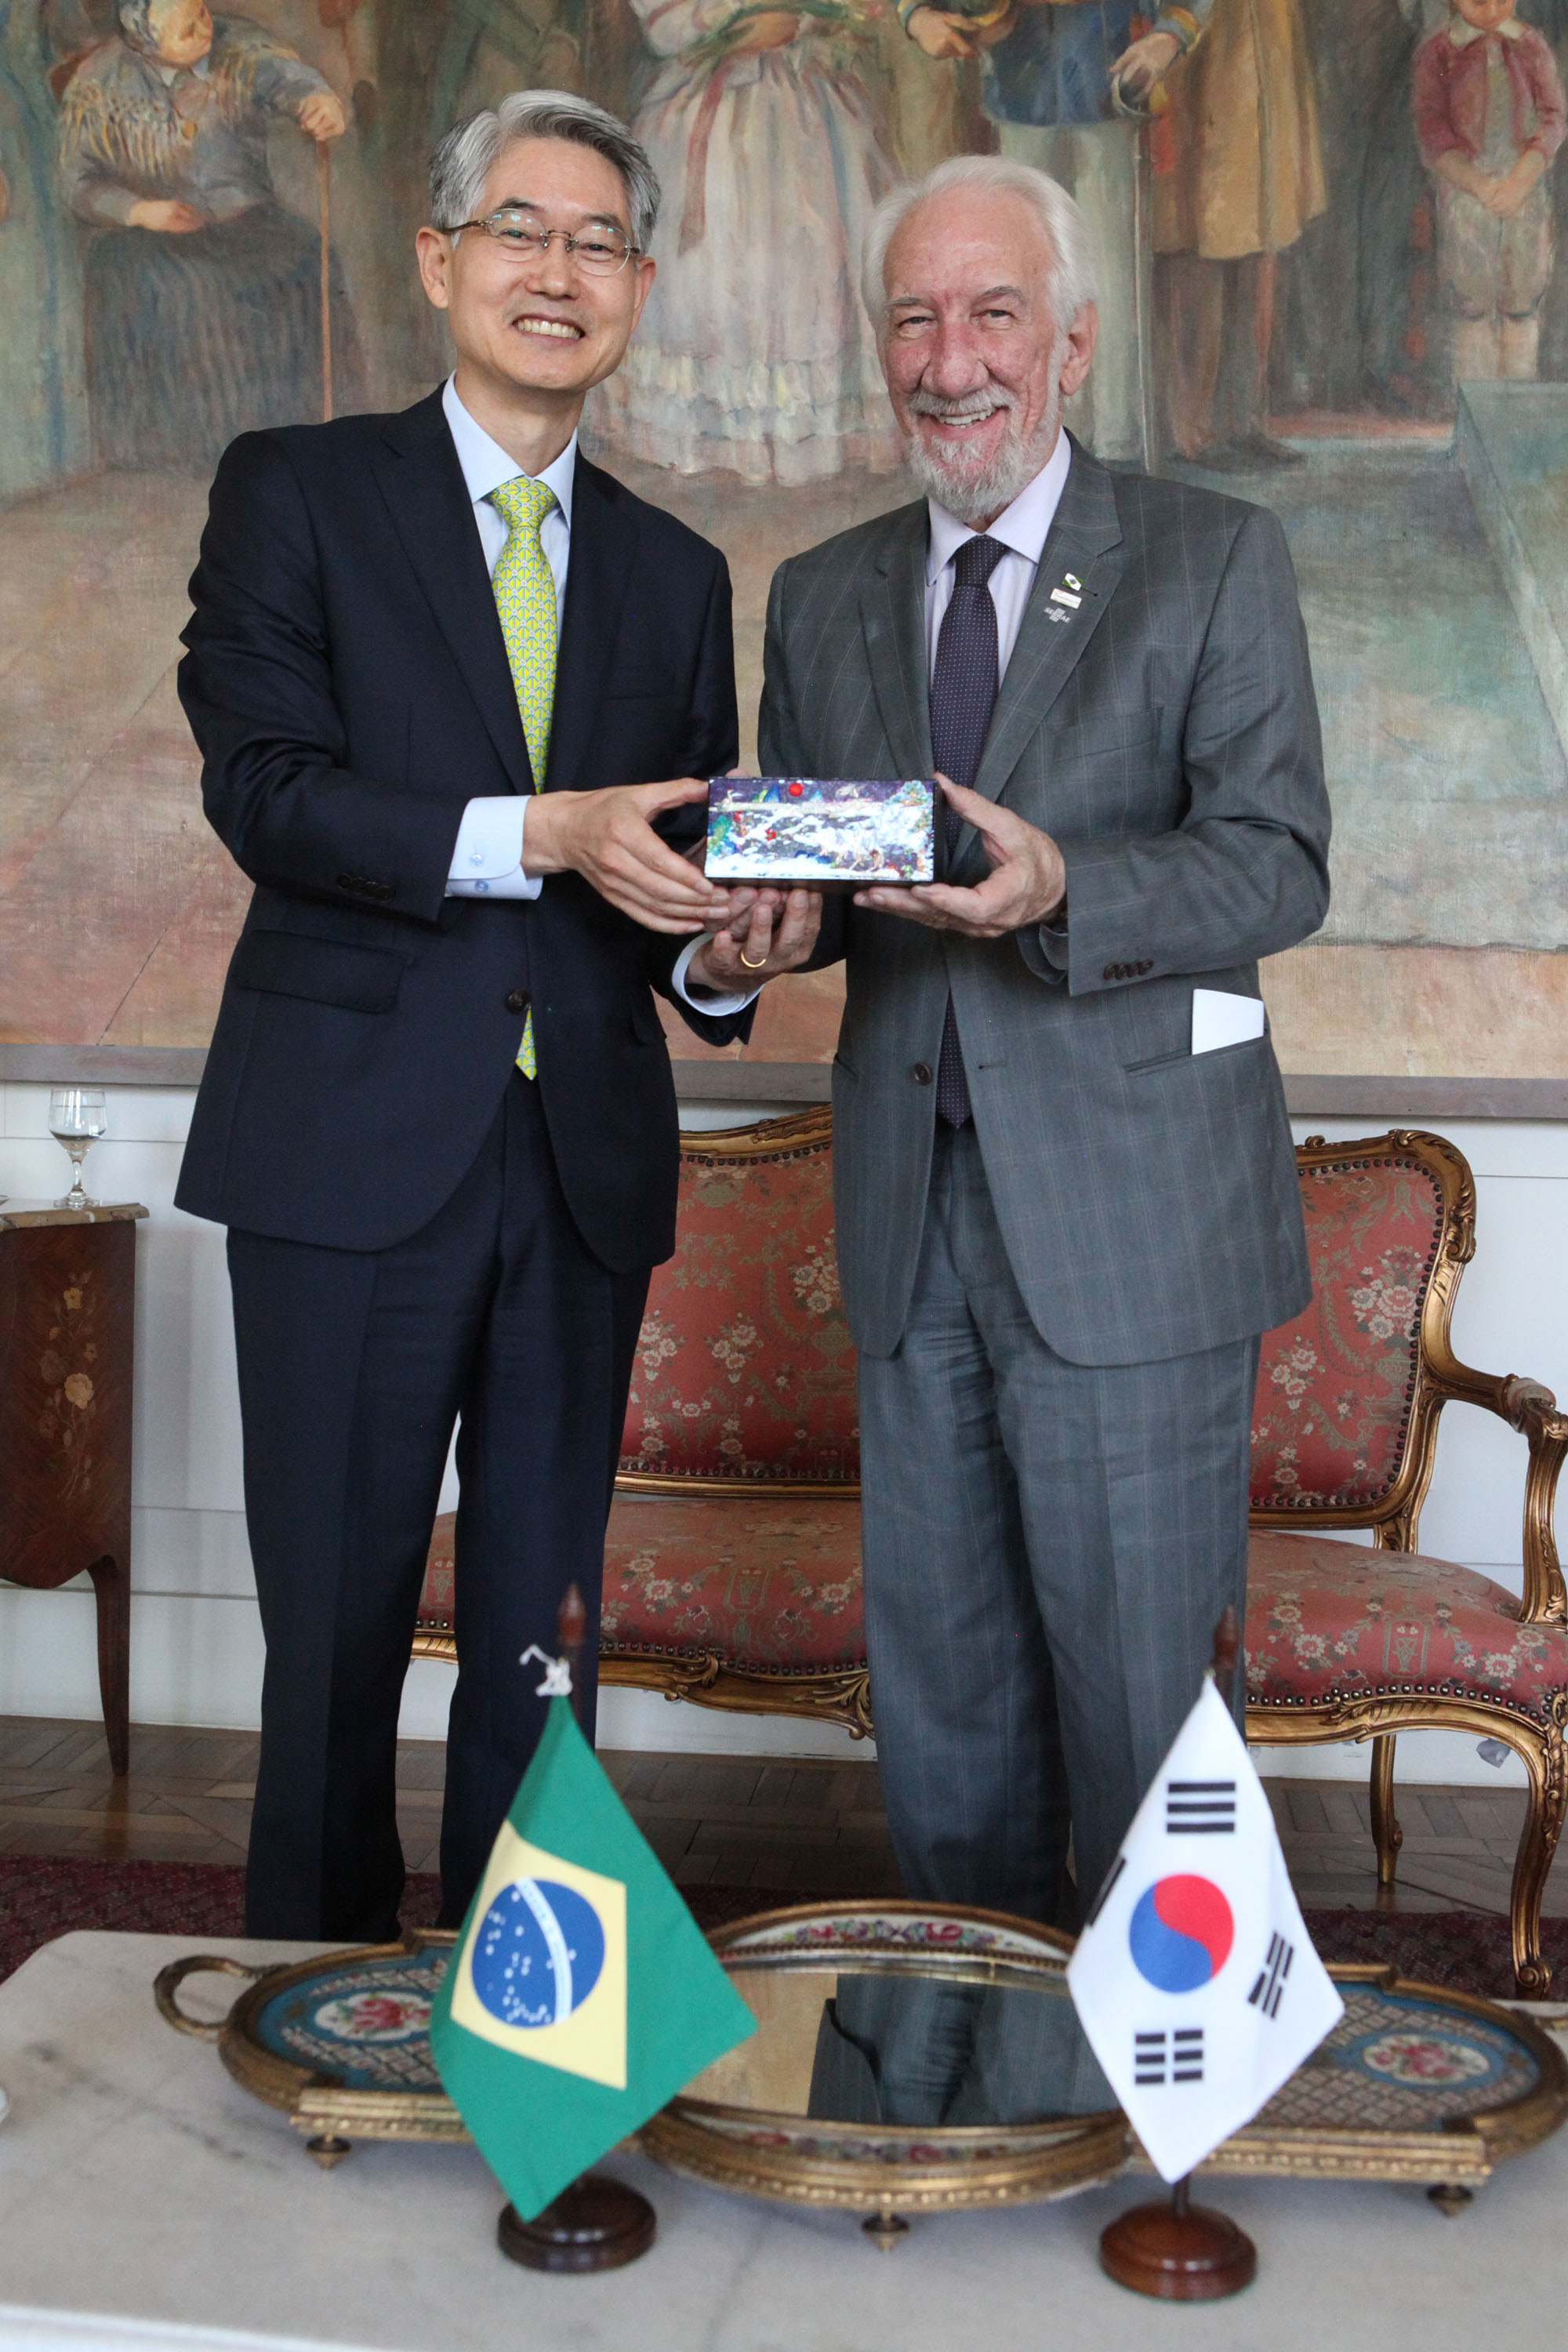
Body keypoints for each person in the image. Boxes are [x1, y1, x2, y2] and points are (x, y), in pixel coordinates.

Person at [175, 89, 819, 1940]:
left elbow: (656, 907)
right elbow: (269, 793)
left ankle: (532, 2056)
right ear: (441, 259)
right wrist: (536, 831)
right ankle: (305, 2023)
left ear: (638, 287)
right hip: (343, 1156)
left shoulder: (676, 573)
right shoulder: (294, 490)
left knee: (546, 1646)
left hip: (577, 1174)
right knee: (333, 1643)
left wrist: (727, 953)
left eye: (598, 241)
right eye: (521, 232)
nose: (558, 272)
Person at [758, 154, 1330, 1926]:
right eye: (914, 319)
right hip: (906, 1229)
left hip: (1133, 1229)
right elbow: (813, 877)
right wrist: (759, 928)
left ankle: (1162, 2150)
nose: (951, 359)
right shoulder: (819, 591)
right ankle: (969, 2095)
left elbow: (1275, 859)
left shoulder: (1211, 555)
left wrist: (1061, 882)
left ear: (1070, 339)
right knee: (943, 1716)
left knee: (1148, 1715)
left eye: (991, 312)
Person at [592, 0, 901, 484]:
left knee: (812, 254)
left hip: (808, 99)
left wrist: (806, 22)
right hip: (713, 105)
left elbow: (854, 16)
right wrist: (732, 25)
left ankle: (812, 434)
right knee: (721, 261)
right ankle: (717, 436)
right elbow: (664, 26)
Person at [56, 2, 362, 468]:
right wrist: (139, 210)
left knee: (306, 258)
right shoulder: (99, 82)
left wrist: (318, 103)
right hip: (150, 232)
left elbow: (288, 78)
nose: (204, 30)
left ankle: (304, 433)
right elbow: (77, 184)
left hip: (246, 219)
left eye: (200, 13)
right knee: (171, 287)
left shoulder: (237, 46)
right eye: (185, 30)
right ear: (145, 43)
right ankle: (186, 454)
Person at [1414, 0, 1567, 383]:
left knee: (1522, 298)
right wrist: (1478, 185)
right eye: (1480, 1)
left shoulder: (1531, 46)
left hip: (1524, 189)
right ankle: (1476, 407)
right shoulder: (1439, 52)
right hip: (1466, 192)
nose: (1492, 9)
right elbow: (1431, 131)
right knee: (1471, 302)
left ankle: (1515, 410)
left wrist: (1519, 182)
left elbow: (1553, 119)